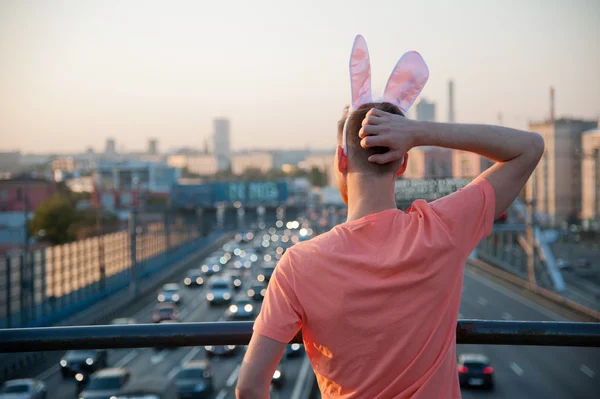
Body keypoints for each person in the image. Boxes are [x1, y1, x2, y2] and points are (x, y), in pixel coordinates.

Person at [236, 36, 544, 399]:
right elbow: (529, 148)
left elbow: (250, 387)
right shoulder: (442, 229)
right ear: (404, 162)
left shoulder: (297, 266)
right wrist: (421, 132)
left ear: (340, 161)